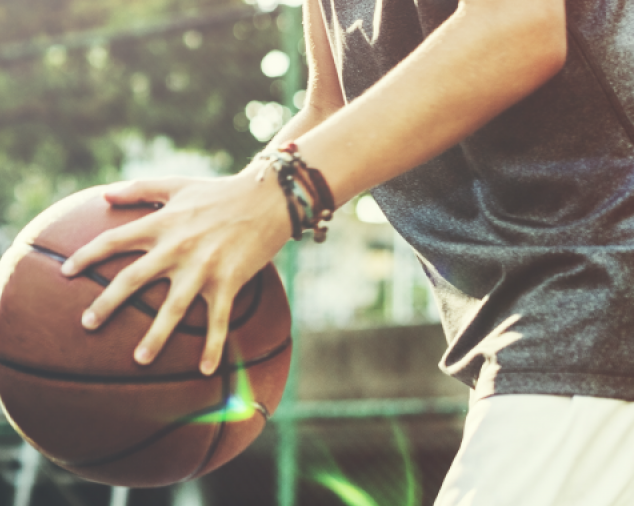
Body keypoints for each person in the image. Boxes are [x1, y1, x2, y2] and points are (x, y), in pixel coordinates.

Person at [63, 0, 634, 503]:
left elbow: (517, 25)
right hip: (546, 313)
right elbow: (331, 109)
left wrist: (274, 196)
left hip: (597, 281)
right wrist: (234, 200)